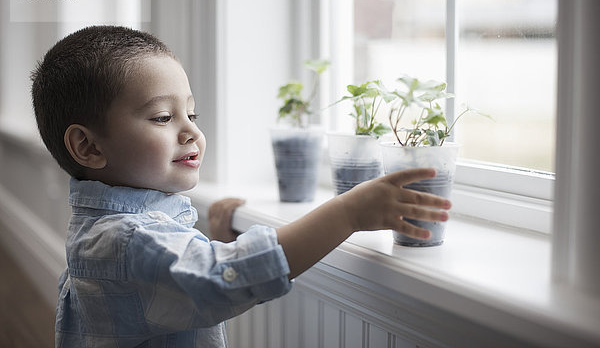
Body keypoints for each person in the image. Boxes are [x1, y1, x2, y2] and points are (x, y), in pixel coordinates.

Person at [31, 25, 451, 347]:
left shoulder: (107, 228)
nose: (191, 133)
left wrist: (217, 240)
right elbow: (219, 279)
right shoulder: (126, 239)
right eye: (162, 117)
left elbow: (163, 278)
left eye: (192, 116)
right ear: (87, 146)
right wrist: (347, 213)